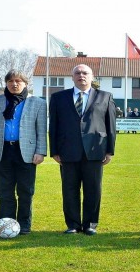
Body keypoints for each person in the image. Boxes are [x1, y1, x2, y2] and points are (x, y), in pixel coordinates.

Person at [49, 64, 116, 235]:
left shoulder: (105, 96)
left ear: (92, 77)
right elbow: (54, 125)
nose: (81, 75)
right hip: (67, 151)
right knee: (69, 189)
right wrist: (54, 150)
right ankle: (72, 225)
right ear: (72, 77)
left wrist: (110, 151)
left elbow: (111, 126)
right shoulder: (58, 98)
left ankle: (90, 224)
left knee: (93, 189)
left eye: (85, 73)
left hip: (95, 150)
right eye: (77, 73)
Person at [0, 70, 47, 235]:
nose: (14, 84)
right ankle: (6, 223)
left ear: (25, 83)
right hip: (2, 151)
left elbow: (41, 130)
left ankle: (24, 225)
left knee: (26, 191)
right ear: (6, 83)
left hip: (26, 152)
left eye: (18, 81)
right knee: (4, 191)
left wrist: (40, 151)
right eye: (10, 81)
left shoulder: (38, 103)